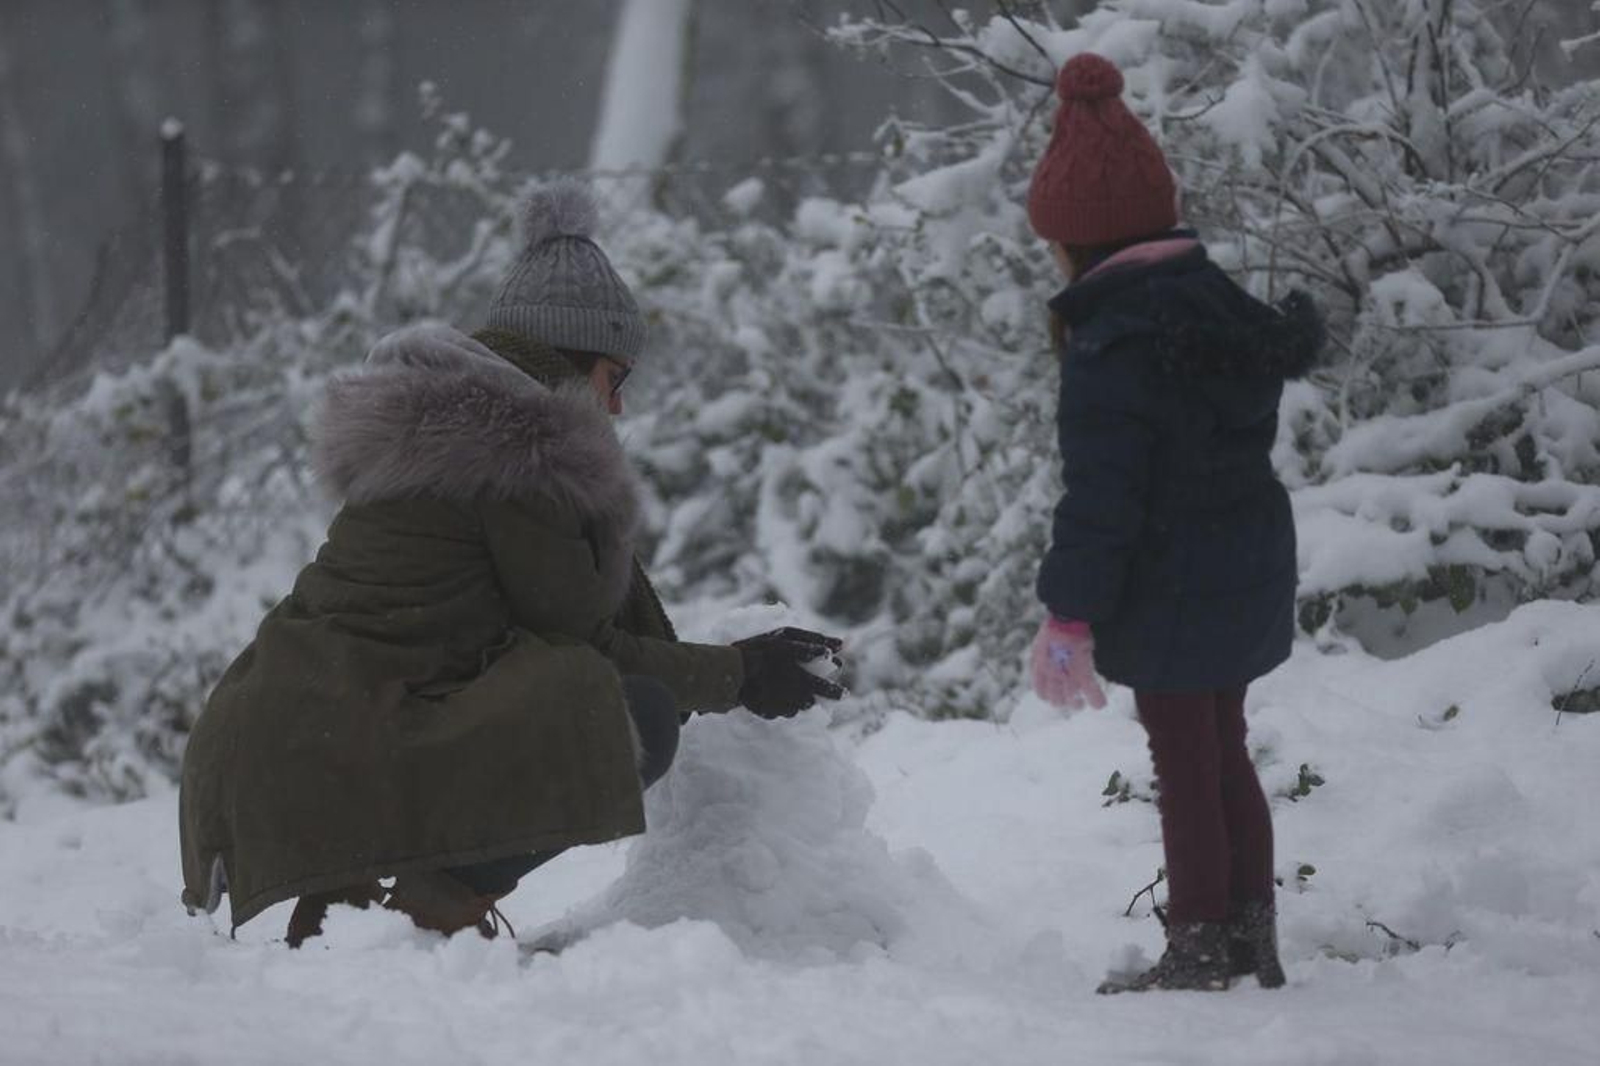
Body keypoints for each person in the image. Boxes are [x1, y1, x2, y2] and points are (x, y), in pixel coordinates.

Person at [179, 180, 845, 946]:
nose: (618, 406)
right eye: (614, 378)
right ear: (573, 360)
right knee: (627, 718)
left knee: (572, 696)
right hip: (324, 751)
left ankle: (351, 919)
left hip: (275, 747)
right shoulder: (515, 459)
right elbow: (587, 651)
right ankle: (431, 914)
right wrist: (740, 674)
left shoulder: (449, 432)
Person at [1023, 54, 1323, 992]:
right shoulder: (1215, 303)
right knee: (1221, 749)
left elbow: (1102, 500)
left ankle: (1198, 947)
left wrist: (1069, 614)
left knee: (1184, 761)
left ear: (1079, 245)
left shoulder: (1112, 344)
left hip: (1173, 586)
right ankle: (1250, 935)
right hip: (1245, 566)